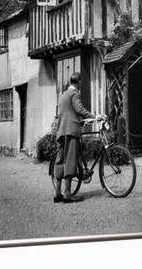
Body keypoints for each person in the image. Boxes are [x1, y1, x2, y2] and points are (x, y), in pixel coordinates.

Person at [54, 72, 95, 203]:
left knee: (60, 161)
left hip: (61, 131)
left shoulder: (63, 95)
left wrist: (79, 120)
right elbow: (79, 110)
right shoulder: (74, 93)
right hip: (71, 131)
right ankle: (67, 194)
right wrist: (94, 117)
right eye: (81, 82)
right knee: (71, 161)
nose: (81, 85)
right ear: (78, 82)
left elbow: (67, 113)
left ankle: (57, 193)